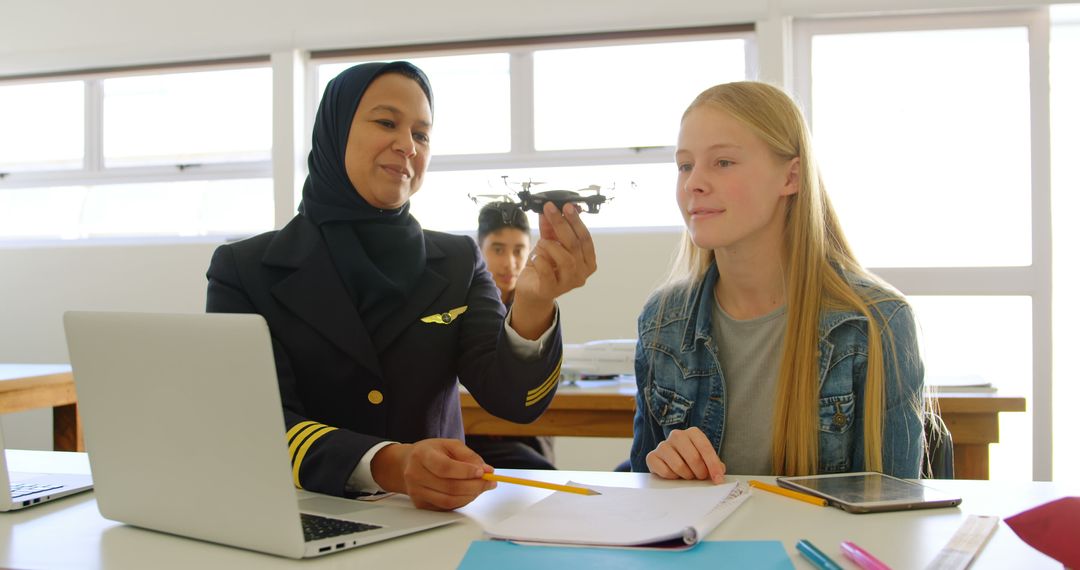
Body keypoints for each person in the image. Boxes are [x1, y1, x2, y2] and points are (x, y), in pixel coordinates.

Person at [206, 61, 596, 511]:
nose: (408, 145)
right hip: (300, 516)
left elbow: (512, 400)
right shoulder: (245, 269)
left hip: (431, 525)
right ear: (334, 132)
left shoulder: (456, 261)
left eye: (423, 134)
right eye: (387, 122)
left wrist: (533, 301)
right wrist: (386, 463)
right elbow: (254, 421)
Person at [630, 81, 924, 482]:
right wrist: (662, 470)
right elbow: (642, 494)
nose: (693, 183)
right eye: (685, 165)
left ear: (792, 177)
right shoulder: (661, 321)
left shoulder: (877, 322)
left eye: (723, 163)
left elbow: (893, 509)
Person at [464, 202, 557, 470]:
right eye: (498, 249)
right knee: (541, 469)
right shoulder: (465, 304)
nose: (510, 263)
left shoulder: (535, 307)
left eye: (519, 250)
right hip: (475, 434)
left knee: (541, 458)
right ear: (479, 249)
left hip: (525, 427)